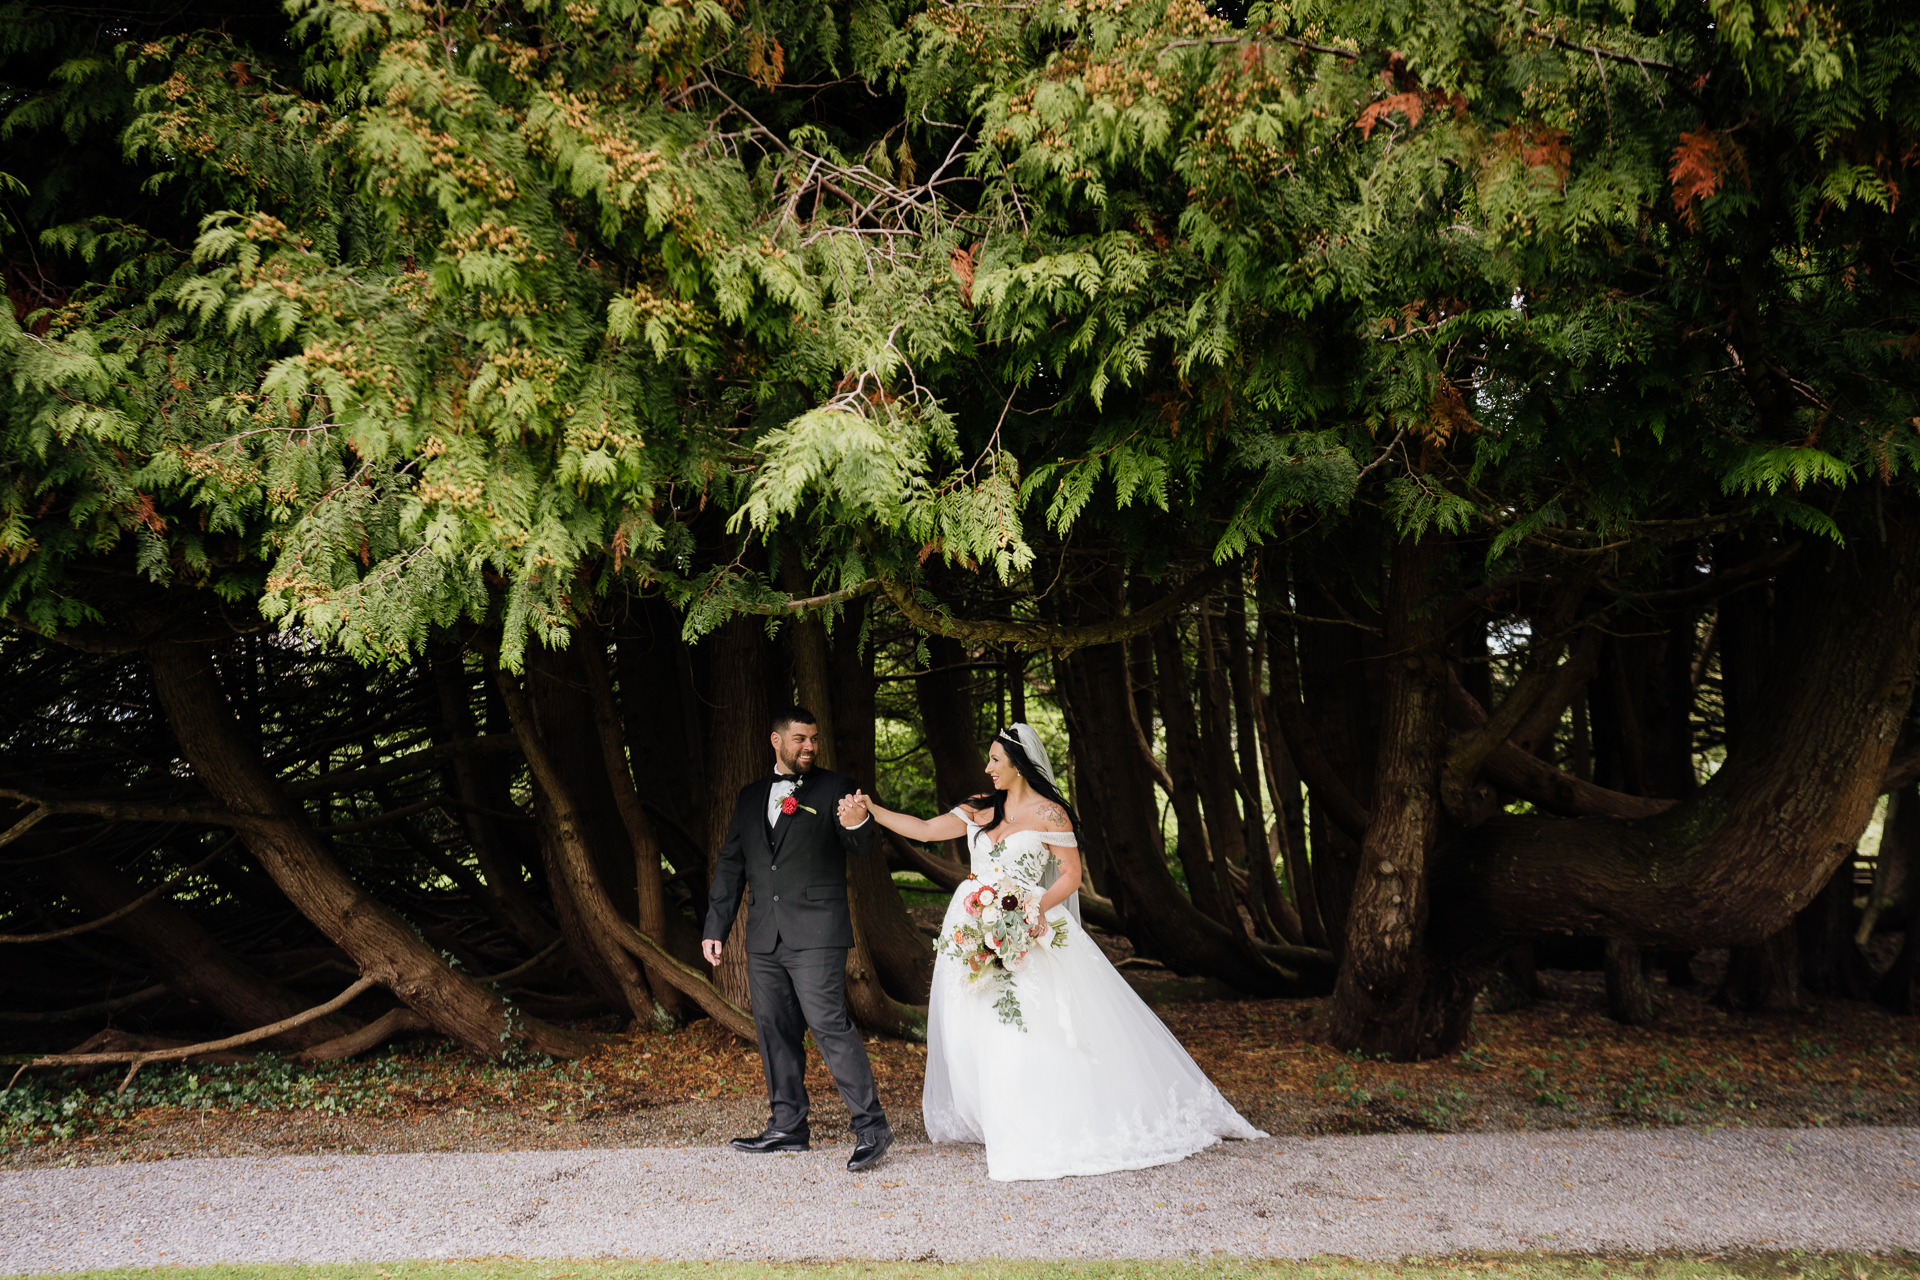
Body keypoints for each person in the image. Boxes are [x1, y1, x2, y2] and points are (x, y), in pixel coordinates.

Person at [837, 722, 1264, 1182]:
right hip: (970, 928)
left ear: (1019, 765)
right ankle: (995, 1115)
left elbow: (1069, 876)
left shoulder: (1051, 814)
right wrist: (872, 810)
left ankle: (1033, 1121)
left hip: (1029, 926)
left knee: (1022, 1027)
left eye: (996, 761)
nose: (988, 768)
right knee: (971, 1025)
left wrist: (1032, 906)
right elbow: (922, 828)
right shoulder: (979, 809)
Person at [704, 705, 894, 1172]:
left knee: (829, 1025)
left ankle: (871, 1127)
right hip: (764, 935)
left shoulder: (834, 786)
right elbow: (732, 864)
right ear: (777, 741)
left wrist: (857, 823)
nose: (809, 746)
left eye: (813, 739)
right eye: (799, 739)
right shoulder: (750, 797)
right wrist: (716, 927)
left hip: (817, 932)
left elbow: (861, 843)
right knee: (773, 1030)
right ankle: (788, 1127)